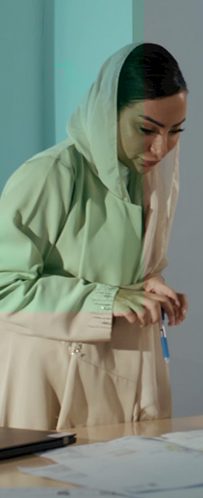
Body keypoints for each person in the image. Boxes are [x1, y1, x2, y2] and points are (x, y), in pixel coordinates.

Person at [0, 43, 189, 430]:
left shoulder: (146, 179)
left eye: (174, 132)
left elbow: (119, 267)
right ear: (107, 112)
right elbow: (5, 287)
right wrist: (107, 300)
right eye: (146, 129)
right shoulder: (50, 174)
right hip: (51, 387)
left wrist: (149, 283)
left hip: (123, 381)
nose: (161, 148)